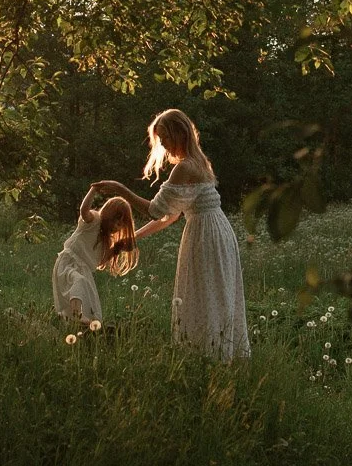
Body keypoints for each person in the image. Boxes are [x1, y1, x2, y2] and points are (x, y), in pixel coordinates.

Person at [91, 108, 250, 361]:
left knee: (205, 295)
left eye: (165, 138)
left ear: (180, 133)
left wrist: (121, 190)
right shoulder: (199, 163)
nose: (163, 145)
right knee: (211, 295)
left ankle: (209, 357)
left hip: (206, 236)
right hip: (216, 231)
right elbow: (171, 216)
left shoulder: (186, 167)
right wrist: (133, 239)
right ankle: (214, 355)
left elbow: (155, 210)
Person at [52, 186, 138, 326]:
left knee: (90, 306)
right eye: (116, 221)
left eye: (121, 225)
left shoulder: (107, 242)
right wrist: (94, 190)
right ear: (108, 215)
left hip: (84, 270)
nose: (117, 227)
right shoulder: (93, 222)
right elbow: (84, 210)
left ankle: (83, 325)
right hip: (68, 262)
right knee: (79, 282)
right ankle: (76, 315)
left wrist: (118, 248)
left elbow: (99, 262)